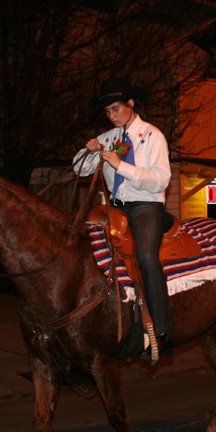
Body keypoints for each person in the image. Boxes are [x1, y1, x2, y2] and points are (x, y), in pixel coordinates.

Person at [73, 77, 174, 360]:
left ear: (131, 104)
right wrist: (89, 152)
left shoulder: (153, 136)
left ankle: (163, 332)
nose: (112, 115)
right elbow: (79, 170)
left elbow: (161, 181)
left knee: (145, 257)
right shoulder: (108, 138)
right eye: (107, 111)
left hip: (146, 206)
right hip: (115, 207)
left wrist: (122, 166)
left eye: (116, 108)